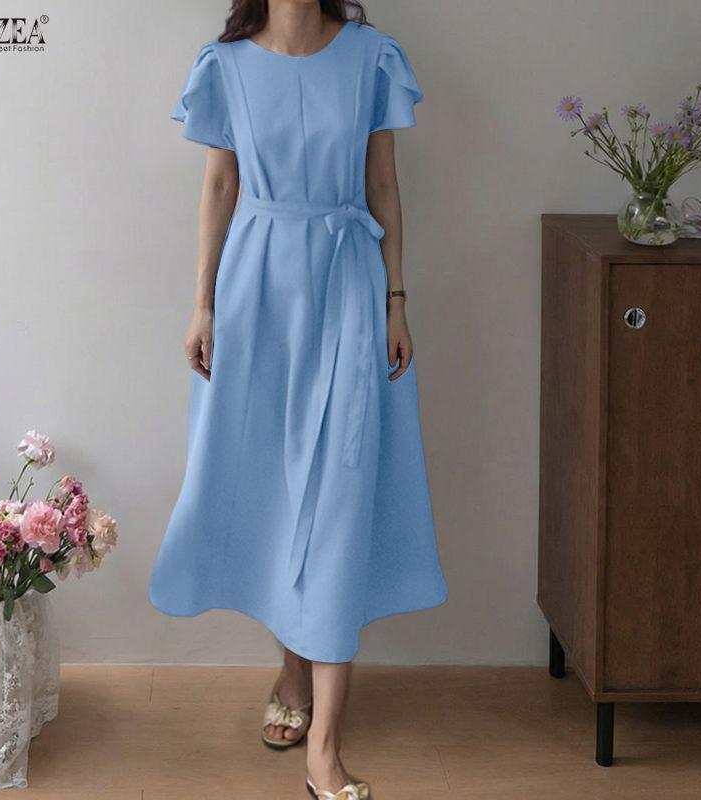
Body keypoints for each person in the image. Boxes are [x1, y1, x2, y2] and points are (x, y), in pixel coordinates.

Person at [149, 1, 447, 796]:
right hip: (256, 297)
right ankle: (293, 670)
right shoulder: (225, 65)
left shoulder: (371, 56)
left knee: (339, 492)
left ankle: (325, 747)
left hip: (348, 285)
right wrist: (202, 306)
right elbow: (220, 184)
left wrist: (396, 301)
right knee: (279, 490)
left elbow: (382, 183)